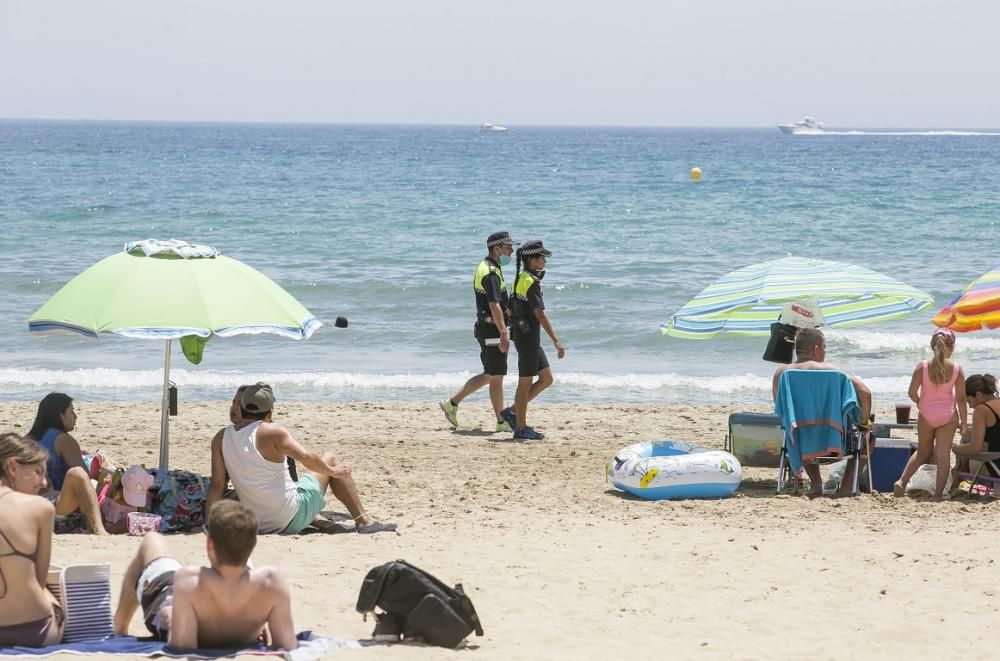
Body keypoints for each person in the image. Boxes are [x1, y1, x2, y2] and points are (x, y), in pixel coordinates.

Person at [206, 383, 396, 535]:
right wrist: (333, 472)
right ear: (269, 413)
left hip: (256, 523)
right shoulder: (273, 431)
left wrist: (210, 525)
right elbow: (306, 457)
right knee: (330, 458)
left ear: (242, 406)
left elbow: (217, 485)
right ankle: (364, 521)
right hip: (289, 518)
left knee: (298, 482)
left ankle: (319, 519)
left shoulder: (221, 437)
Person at [113, 500, 296, 650]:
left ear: (209, 544)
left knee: (152, 540)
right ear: (254, 545)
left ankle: (120, 627)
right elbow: (286, 647)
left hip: (182, 600)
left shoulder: (188, 580)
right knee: (243, 563)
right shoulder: (272, 582)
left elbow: (183, 648)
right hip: (242, 605)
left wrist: (172, 619)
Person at [771, 327, 873, 496]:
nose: (824, 352)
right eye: (824, 347)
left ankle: (816, 484)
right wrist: (863, 423)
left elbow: (782, 410)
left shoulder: (782, 373)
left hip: (799, 440)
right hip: (835, 439)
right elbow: (865, 393)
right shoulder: (834, 371)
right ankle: (847, 488)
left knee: (804, 428)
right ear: (816, 349)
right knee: (868, 437)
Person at [439, 231, 518, 433]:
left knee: (491, 374)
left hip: (487, 328)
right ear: (497, 248)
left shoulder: (489, 267)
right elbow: (494, 305)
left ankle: (452, 403)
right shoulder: (490, 272)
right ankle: (501, 421)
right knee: (496, 375)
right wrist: (503, 331)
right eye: (508, 247)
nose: (511, 251)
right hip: (491, 329)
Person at [0, 433, 64, 647]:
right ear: (12, 467)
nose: (44, 483)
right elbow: (38, 579)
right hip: (36, 631)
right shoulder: (41, 508)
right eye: (37, 472)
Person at [893, 329, 967, 500]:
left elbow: (912, 392)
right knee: (943, 456)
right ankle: (939, 495)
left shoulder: (923, 366)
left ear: (932, 345)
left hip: (926, 414)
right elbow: (961, 399)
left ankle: (902, 482)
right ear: (952, 347)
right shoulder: (957, 369)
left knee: (922, 452)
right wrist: (963, 423)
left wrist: (920, 403)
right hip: (948, 417)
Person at [507, 240, 565, 441]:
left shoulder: (520, 277)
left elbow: (509, 307)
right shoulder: (530, 282)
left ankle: (512, 412)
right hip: (528, 339)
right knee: (525, 383)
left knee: (547, 378)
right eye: (542, 258)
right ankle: (520, 428)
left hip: (525, 337)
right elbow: (540, 315)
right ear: (531, 260)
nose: (545, 261)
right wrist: (556, 341)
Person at [25, 393, 106, 535]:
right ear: (60, 415)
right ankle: (98, 529)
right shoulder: (63, 440)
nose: (75, 416)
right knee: (79, 474)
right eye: (71, 411)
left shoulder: (27, 439)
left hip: (31, 512)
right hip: (59, 509)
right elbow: (84, 480)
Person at [951, 373, 1000, 486]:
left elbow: (975, 448)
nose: (970, 406)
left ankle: (957, 474)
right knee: (967, 433)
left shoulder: (981, 410)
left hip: (996, 471)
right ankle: (958, 471)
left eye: (969, 401)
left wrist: (956, 449)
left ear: (978, 395)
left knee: (968, 449)